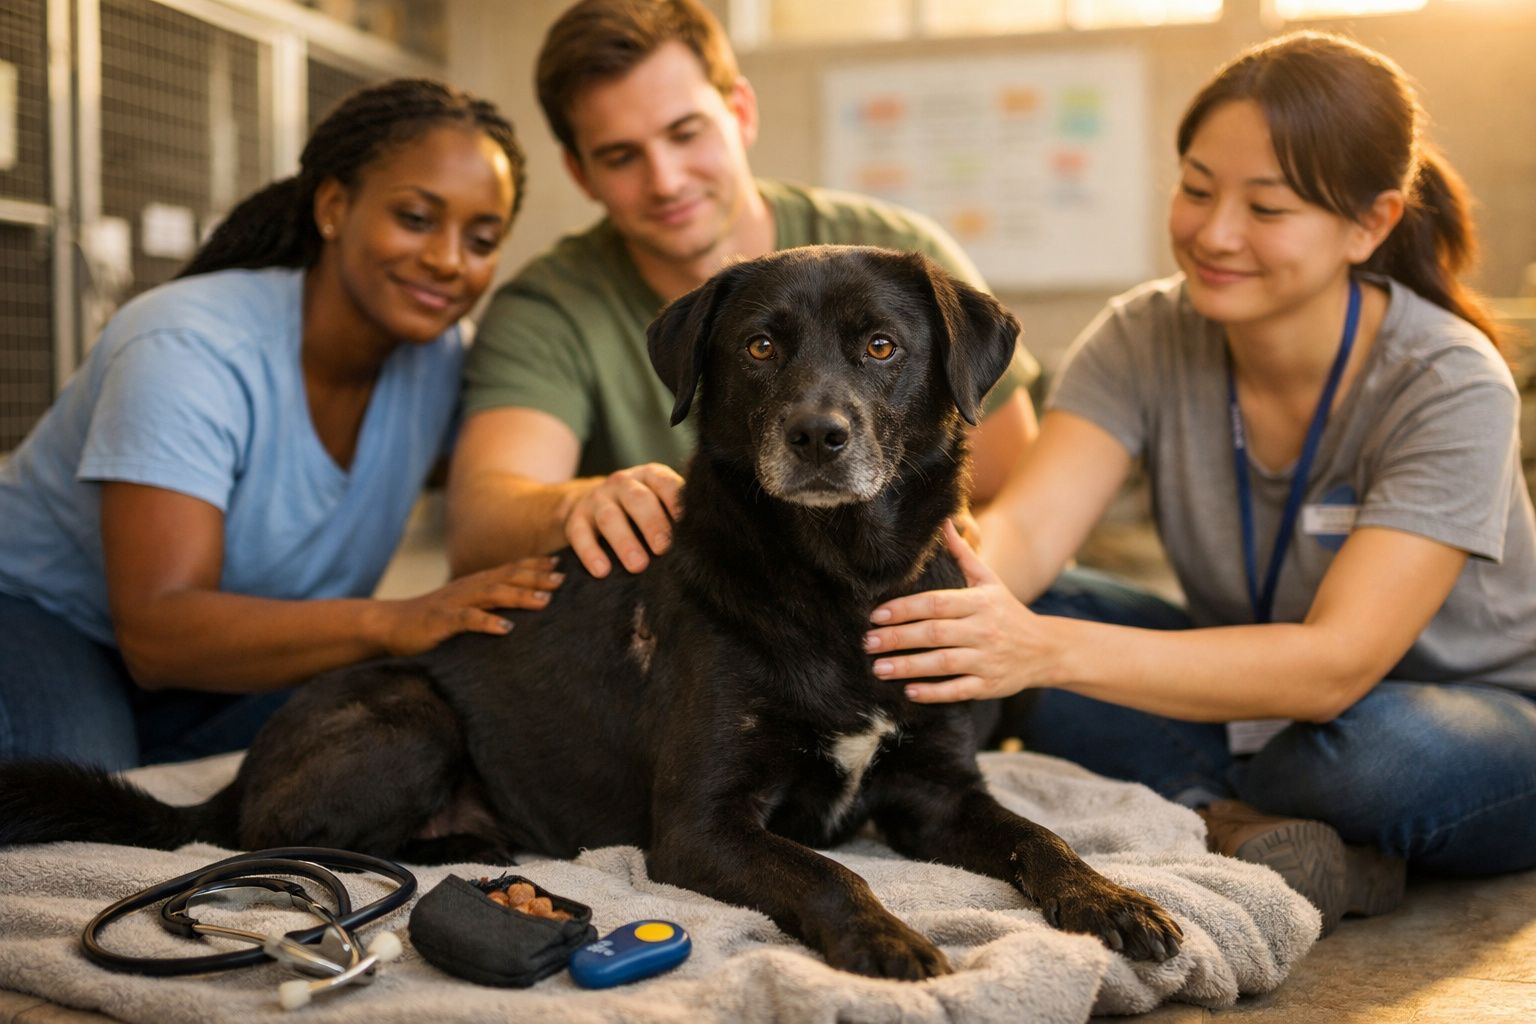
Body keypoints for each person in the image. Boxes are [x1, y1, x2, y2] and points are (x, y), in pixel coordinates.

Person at [861, 31, 1536, 934]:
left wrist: (1042, 651)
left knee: (1372, 757)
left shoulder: (1448, 379)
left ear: (1371, 223)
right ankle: (1262, 830)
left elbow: (1336, 667)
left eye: (1268, 208)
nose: (1215, 234)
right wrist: (955, 604)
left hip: (1456, 717)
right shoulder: (1141, 334)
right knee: (1014, 611)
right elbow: (1026, 536)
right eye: (1197, 188)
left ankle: (1214, 805)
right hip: (1250, 680)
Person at [0, 79, 561, 770]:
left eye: (482, 239)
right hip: (42, 616)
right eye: (416, 218)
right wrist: (394, 618)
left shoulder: (446, 361)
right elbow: (159, 633)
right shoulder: (187, 345)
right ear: (333, 207)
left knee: (411, 734)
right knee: (73, 785)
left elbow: (504, 482)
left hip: (226, 664)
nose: (448, 260)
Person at [445, 0, 1040, 580]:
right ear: (581, 173)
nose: (665, 180)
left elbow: (1019, 494)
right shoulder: (548, 308)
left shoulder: (898, 254)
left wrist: (943, 569)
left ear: (742, 112)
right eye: (621, 156)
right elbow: (479, 528)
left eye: (685, 133)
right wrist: (579, 503)